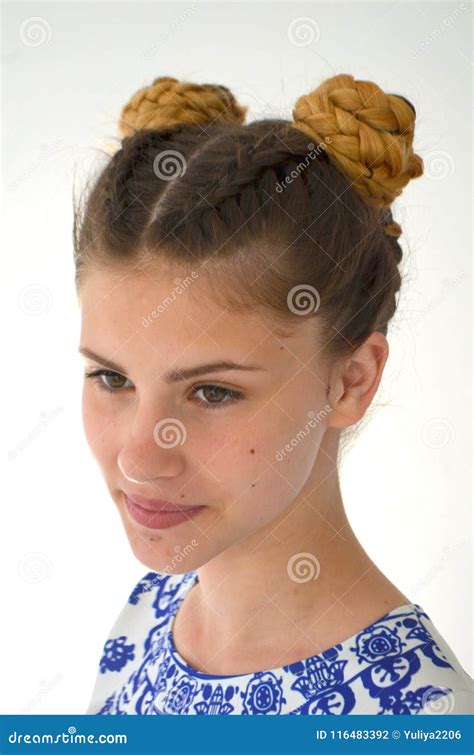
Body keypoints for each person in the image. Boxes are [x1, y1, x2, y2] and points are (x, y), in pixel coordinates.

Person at [75, 73, 473, 715]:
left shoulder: (421, 718)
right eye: (112, 378)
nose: (139, 461)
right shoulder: (150, 612)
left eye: (211, 392)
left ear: (350, 381)